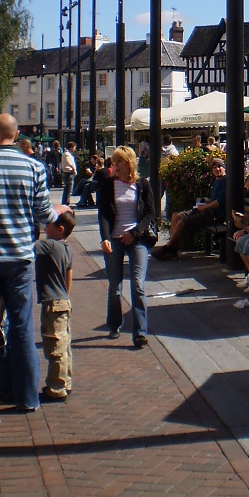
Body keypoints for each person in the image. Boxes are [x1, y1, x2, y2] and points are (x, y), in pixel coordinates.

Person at [0, 113, 64, 418]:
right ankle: (27, 397)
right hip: (19, 257)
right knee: (21, 327)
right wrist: (59, 215)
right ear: (17, 135)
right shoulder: (34, 166)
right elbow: (43, 213)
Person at [96, 145, 156, 347]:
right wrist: (104, 237)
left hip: (136, 238)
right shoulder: (107, 185)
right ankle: (114, 324)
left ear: (129, 163)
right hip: (114, 238)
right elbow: (103, 213)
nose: (116, 165)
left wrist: (135, 232)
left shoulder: (142, 184)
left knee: (138, 284)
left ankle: (140, 331)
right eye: (114, 161)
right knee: (115, 286)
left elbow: (150, 212)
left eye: (119, 161)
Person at [34, 209, 75, 403]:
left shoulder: (49, 246)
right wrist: (66, 295)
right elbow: (69, 274)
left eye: (48, 225)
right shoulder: (67, 248)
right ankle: (65, 381)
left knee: (55, 345)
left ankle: (56, 387)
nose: (44, 228)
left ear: (59, 229)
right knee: (64, 344)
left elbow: (29, 246)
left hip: (53, 302)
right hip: (63, 300)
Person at [153, 158, 227, 260]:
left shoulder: (225, 181)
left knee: (182, 222)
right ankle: (173, 249)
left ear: (224, 168)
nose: (217, 169)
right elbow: (214, 200)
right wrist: (207, 201)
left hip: (214, 215)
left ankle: (168, 248)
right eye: (214, 167)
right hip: (207, 209)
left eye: (219, 167)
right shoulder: (216, 181)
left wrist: (205, 206)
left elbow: (220, 202)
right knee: (176, 216)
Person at [60, 141, 78, 206]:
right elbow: (69, 162)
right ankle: (66, 202)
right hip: (68, 173)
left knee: (67, 188)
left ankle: (65, 201)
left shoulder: (66, 154)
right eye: (74, 148)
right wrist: (74, 169)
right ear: (71, 147)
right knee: (69, 188)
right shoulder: (67, 154)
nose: (75, 149)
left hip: (68, 172)